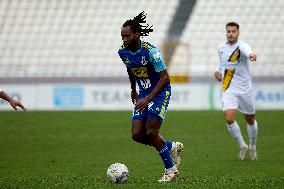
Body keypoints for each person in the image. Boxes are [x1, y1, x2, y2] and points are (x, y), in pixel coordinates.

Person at [118, 11, 184, 182]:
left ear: (137, 35)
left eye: (127, 36)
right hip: (143, 94)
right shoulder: (123, 52)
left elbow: (165, 77)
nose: (124, 39)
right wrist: (133, 89)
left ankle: (170, 170)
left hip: (160, 92)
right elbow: (130, 69)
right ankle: (171, 146)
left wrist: (148, 98)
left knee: (152, 132)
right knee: (137, 135)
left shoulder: (151, 52)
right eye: (122, 36)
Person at [214, 22, 258, 161]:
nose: (231, 33)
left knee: (249, 119)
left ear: (238, 33)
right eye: (228, 31)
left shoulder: (242, 46)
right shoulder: (221, 48)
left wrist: (251, 55)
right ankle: (242, 145)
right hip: (228, 88)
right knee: (229, 118)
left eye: (233, 31)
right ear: (226, 32)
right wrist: (217, 72)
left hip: (245, 89)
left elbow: (248, 51)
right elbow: (221, 64)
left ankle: (252, 146)